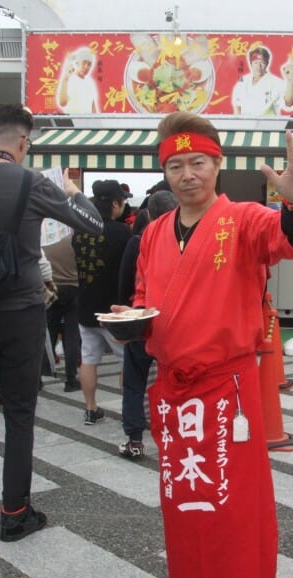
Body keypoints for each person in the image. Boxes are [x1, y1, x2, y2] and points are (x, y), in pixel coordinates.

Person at [113, 111, 293, 578]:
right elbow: (144, 295)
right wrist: (132, 316)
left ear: (218, 165)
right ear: (165, 172)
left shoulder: (245, 220)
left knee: (235, 507)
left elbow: (290, 241)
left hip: (227, 389)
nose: (188, 175)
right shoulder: (155, 232)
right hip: (173, 388)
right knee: (184, 502)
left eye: (199, 163)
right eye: (177, 165)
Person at [0, 104, 104, 542]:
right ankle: (14, 513)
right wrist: (73, 190)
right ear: (23, 142)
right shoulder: (31, 182)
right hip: (21, 313)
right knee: (18, 413)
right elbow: (93, 226)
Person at [116, 190, 178, 459]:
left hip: (141, 320)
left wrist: (125, 321)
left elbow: (124, 285)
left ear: (149, 214)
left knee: (134, 382)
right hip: (175, 325)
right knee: (176, 381)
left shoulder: (138, 241)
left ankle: (135, 440)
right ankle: (177, 434)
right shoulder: (189, 241)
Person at [73, 179, 132, 425]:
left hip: (85, 306)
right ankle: (128, 408)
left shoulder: (79, 232)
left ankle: (90, 408)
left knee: (88, 359)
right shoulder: (121, 233)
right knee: (125, 360)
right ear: (115, 204)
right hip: (114, 310)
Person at [43, 232, 82, 392]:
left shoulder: (44, 239)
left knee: (48, 332)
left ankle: (40, 376)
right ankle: (71, 379)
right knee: (72, 333)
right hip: (73, 288)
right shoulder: (73, 238)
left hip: (52, 288)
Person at [232, 45, 293, 116]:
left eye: (262, 63)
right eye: (255, 62)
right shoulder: (243, 80)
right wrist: (238, 123)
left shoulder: (275, 82)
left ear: (267, 63)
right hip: (246, 125)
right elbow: (237, 103)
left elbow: (289, 102)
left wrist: (289, 79)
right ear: (251, 63)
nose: (258, 66)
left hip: (268, 125)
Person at [56, 47, 99, 114]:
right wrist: (65, 79)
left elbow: (93, 106)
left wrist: (97, 122)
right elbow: (62, 103)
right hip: (73, 121)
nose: (86, 67)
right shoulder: (70, 79)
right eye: (84, 63)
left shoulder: (90, 82)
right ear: (77, 63)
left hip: (88, 123)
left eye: (89, 64)